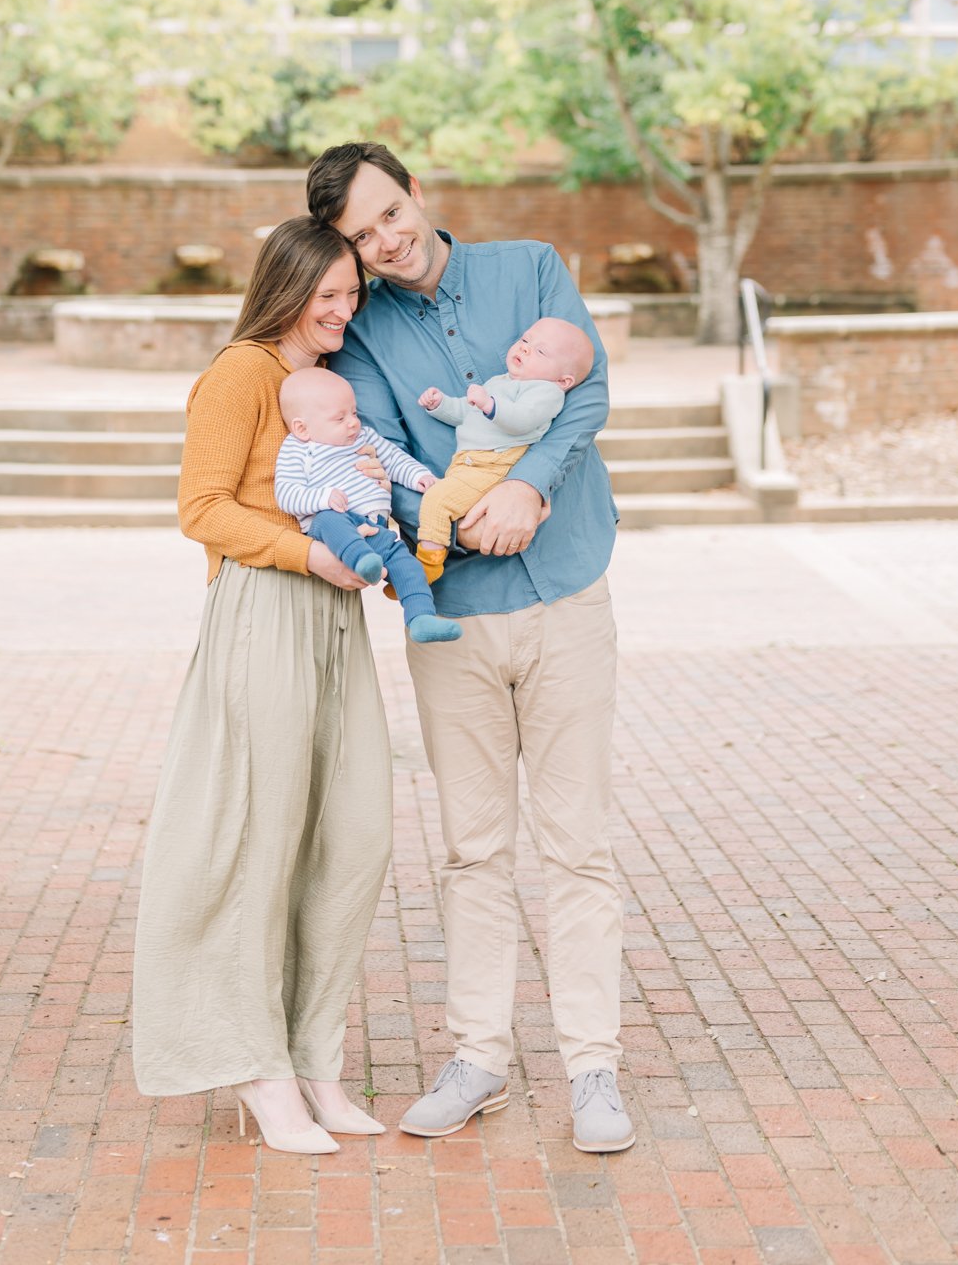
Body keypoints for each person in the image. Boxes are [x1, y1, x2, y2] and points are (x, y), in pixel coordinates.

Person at [306, 142, 633, 1156]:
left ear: (416, 191)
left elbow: (584, 385)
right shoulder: (363, 334)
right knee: (473, 844)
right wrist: (445, 511)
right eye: (362, 236)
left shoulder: (527, 265)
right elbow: (374, 453)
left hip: (568, 583)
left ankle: (593, 1065)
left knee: (577, 838)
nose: (387, 242)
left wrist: (528, 483)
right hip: (450, 610)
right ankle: (479, 1055)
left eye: (390, 214)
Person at [132, 219, 391, 1154]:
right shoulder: (241, 372)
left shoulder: (327, 381)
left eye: (351, 295)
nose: (341, 311)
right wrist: (308, 552)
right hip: (264, 608)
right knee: (260, 838)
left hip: (333, 614)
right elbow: (200, 507)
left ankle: (316, 1056)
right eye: (325, 295)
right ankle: (259, 1069)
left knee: (352, 834)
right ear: (283, 287)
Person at [274, 367, 462, 642]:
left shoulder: (364, 437)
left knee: (407, 565)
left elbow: (394, 459)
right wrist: (322, 498)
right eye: (340, 418)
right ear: (302, 428)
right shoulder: (298, 449)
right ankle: (362, 560)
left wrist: (419, 476)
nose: (353, 423)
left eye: (354, 412)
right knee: (328, 518)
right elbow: (286, 494)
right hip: (333, 527)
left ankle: (421, 617)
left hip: (375, 527)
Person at [414, 316, 595, 586]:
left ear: (564, 380)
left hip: (494, 462)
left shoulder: (546, 392)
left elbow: (521, 419)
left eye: (540, 351)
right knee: (443, 500)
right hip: (471, 463)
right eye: (525, 340)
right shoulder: (501, 381)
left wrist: (489, 405)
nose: (524, 348)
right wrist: (440, 405)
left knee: (436, 500)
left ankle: (423, 571)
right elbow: (467, 410)